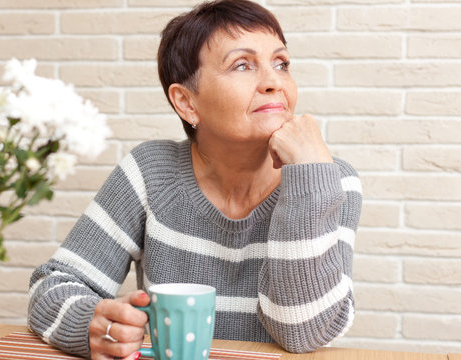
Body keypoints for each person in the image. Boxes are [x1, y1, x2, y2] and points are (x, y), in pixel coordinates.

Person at [27, 0, 362, 359]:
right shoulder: (151, 172)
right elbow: (52, 286)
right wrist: (91, 324)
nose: (273, 82)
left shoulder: (331, 181)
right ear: (187, 103)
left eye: (281, 63)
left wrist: (310, 179)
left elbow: (303, 333)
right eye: (242, 65)